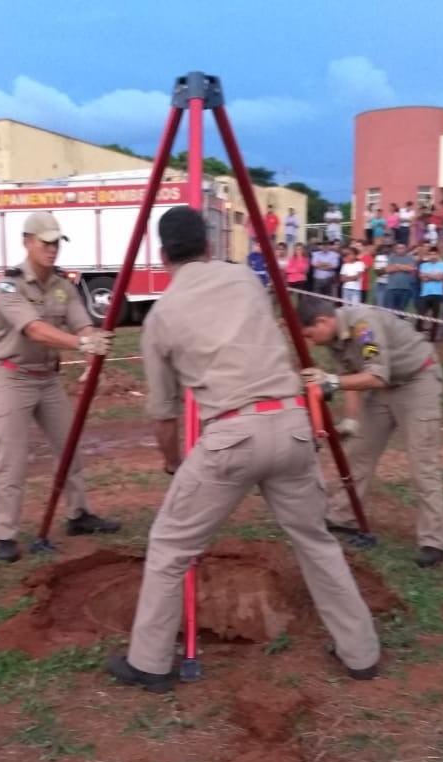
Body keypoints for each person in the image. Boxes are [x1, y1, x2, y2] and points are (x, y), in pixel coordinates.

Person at [104, 206, 380, 692]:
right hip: (293, 425)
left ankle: (149, 662)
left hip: (232, 436)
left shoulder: (160, 316)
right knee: (315, 541)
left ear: (163, 255)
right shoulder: (246, 280)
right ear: (210, 246)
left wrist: (173, 464)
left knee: (170, 544)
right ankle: (361, 652)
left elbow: (165, 415)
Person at [0, 211, 120, 563]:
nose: (52, 248)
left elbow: (82, 325)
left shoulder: (64, 286)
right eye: (45, 242)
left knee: (70, 446)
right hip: (13, 378)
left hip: (47, 379)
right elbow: (34, 330)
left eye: (56, 242)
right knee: (13, 460)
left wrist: (93, 350)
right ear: (27, 242)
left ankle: (79, 514)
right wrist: (82, 345)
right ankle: (4, 534)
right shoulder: (8, 286)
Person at [298, 299, 443, 568]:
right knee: (358, 452)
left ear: (322, 322)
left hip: (417, 381)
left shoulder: (363, 326)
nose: (309, 342)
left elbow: (376, 376)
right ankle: (344, 515)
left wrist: (331, 381)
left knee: (422, 463)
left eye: (309, 335)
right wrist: (351, 421)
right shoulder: (334, 338)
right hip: (383, 389)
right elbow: (351, 378)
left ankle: (433, 540)